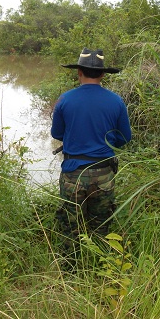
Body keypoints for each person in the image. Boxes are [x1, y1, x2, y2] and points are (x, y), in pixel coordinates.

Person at [51, 47, 132, 255]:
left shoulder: (64, 100)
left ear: (79, 71)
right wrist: (105, 140)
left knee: (71, 228)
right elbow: (124, 138)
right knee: (101, 227)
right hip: (104, 174)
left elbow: (57, 133)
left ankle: (70, 271)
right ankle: (100, 268)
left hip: (72, 174)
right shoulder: (116, 101)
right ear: (103, 74)